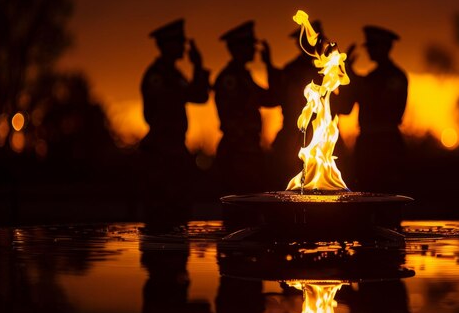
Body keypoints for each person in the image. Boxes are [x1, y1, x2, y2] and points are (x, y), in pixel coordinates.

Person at [139, 18, 210, 213]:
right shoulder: (158, 76)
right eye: (178, 42)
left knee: (179, 208)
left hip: (173, 148)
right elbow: (193, 94)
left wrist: (198, 65)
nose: (182, 46)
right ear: (166, 45)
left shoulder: (173, 74)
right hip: (161, 150)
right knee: (161, 209)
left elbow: (199, 96)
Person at [338, 26, 409, 192]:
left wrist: (350, 75)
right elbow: (345, 106)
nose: (369, 51)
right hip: (367, 143)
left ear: (385, 47)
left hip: (385, 144)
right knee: (366, 190)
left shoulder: (395, 76)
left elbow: (378, 99)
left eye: (373, 46)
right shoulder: (371, 77)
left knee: (387, 192)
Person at [213, 21, 278, 194]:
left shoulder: (244, 77)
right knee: (240, 202)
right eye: (249, 46)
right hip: (238, 151)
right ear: (238, 48)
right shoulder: (230, 79)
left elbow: (272, 99)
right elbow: (230, 119)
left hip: (248, 149)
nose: (254, 50)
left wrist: (269, 66)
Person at [269, 20, 325, 187]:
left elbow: (343, 107)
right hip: (294, 136)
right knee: (288, 183)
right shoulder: (291, 71)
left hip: (321, 134)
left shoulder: (329, 69)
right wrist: (269, 68)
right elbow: (274, 97)